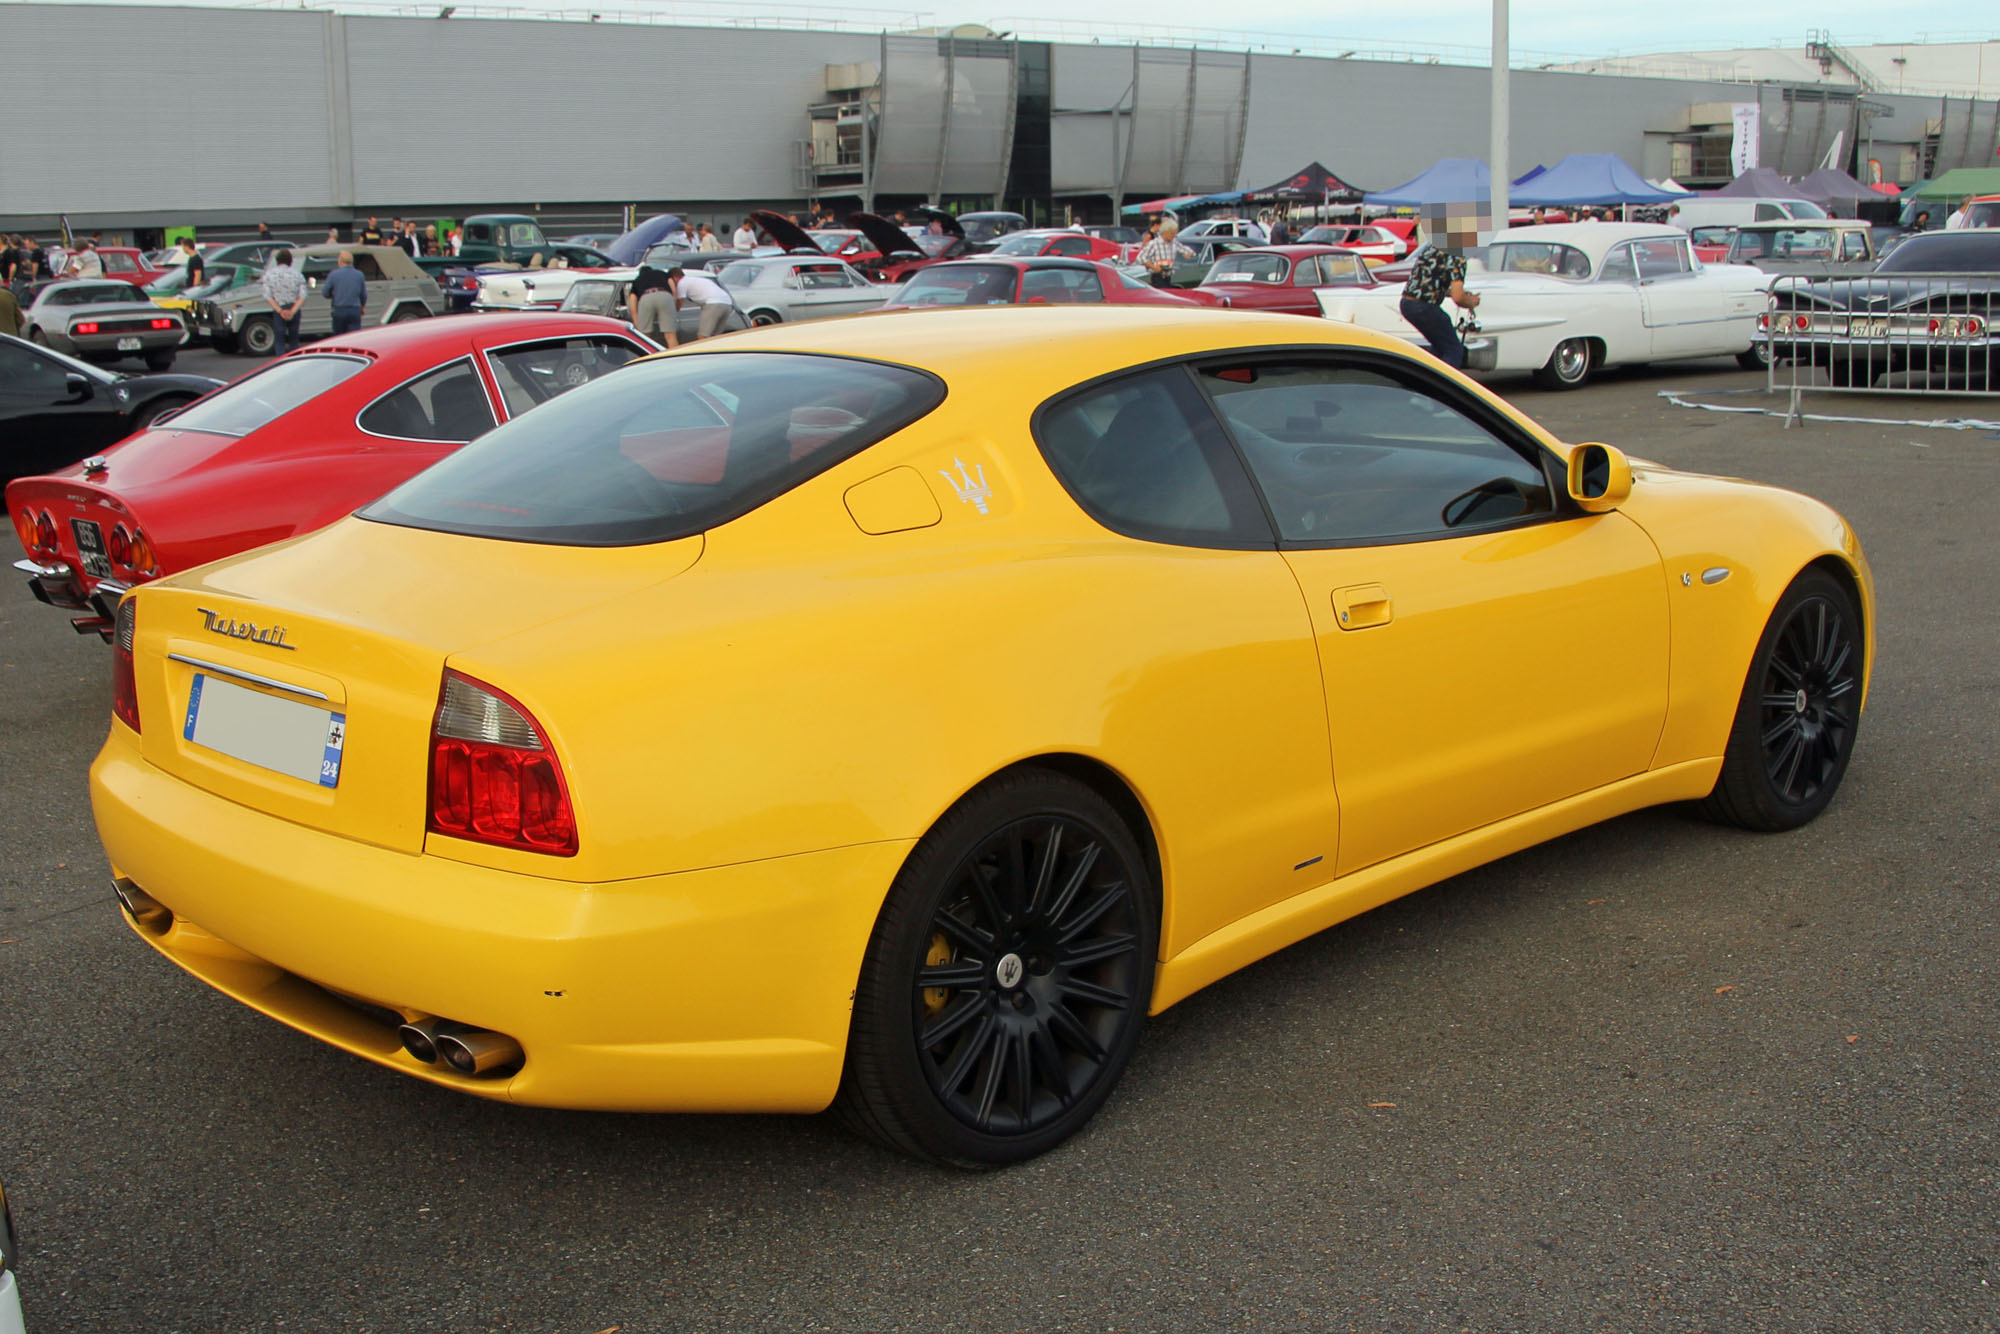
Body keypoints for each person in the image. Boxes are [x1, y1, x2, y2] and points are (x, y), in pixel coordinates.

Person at [1399, 205, 1482, 369]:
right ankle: (1446, 389)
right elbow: (1459, 298)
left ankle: (1426, 382)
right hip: (1424, 306)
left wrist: (1452, 293)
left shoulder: (1434, 247)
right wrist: (1471, 301)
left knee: (1439, 348)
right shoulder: (1457, 254)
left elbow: (1432, 281)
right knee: (1454, 350)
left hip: (1407, 303)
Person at [262, 248, 306, 356]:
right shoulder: (297, 275)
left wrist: (280, 311)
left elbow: (268, 296)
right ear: (291, 261)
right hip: (294, 308)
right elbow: (303, 295)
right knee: (294, 340)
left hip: (279, 309)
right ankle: (294, 361)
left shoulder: (269, 275)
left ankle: (281, 361)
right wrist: (293, 311)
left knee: (279, 340)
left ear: (277, 261)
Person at [323, 250, 367, 335]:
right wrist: (362, 306)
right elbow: (363, 295)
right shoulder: (359, 275)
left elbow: (325, 292)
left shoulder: (333, 274)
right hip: (354, 310)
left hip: (339, 310)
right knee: (353, 336)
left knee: (339, 337)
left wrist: (332, 295)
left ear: (340, 261)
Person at [1136, 217, 1189, 288]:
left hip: (1168, 274)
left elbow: (1183, 249)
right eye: (1172, 233)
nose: (1173, 236)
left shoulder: (1169, 241)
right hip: (1157, 275)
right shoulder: (1151, 239)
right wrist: (1153, 266)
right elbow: (1141, 256)